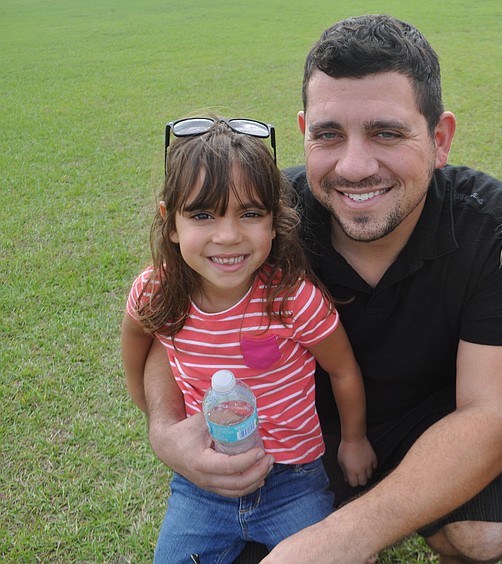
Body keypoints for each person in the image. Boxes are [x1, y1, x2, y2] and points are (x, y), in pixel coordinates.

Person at [139, 15, 502, 564]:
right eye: (329, 134)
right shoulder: (259, 221)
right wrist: (166, 430)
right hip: (296, 441)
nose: (354, 166)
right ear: (304, 130)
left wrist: (343, 538)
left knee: (480, 534)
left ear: (439, 137)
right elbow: (178, 317)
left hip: (432, 423)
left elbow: (492, 419)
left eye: (387, 132)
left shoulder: (492, 230)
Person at [121, 116, 377, 561]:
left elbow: (343, 369)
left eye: (250, 213)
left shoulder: (293, 298)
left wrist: (352, 441)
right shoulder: (155, 289)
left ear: (274, 222)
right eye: (202, 214)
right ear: (172, 223)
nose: (227, 235)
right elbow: (137, 346)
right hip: (202, 484)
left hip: (293, 482)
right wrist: (163, 425)